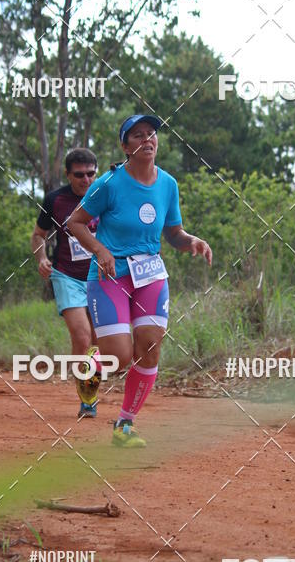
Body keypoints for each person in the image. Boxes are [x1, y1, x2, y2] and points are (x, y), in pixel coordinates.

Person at [67, 114, 212, 448]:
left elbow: (173, 233)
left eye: (151, 134)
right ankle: (92, 367)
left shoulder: (168, 184)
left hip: (150, 275)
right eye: (138, 135)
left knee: (150, 349)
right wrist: (100, 250)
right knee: (119, 357)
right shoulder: (108, 183)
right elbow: (75, 222)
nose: (147, 140)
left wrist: (191, 241)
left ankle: (124, 425)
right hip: (110, 275)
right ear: (125, 146)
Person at [31, 148, 102, 417]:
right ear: (67, 175)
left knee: (98, 341)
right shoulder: (55, 200)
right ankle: (86, 399)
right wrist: (41, 258)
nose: (86, 180)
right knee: (82, 337)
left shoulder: (104, 194)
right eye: (79, 175)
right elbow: (38, 235)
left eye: (91, 174)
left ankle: (91, 387)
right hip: (66, 275)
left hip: (99, 276)